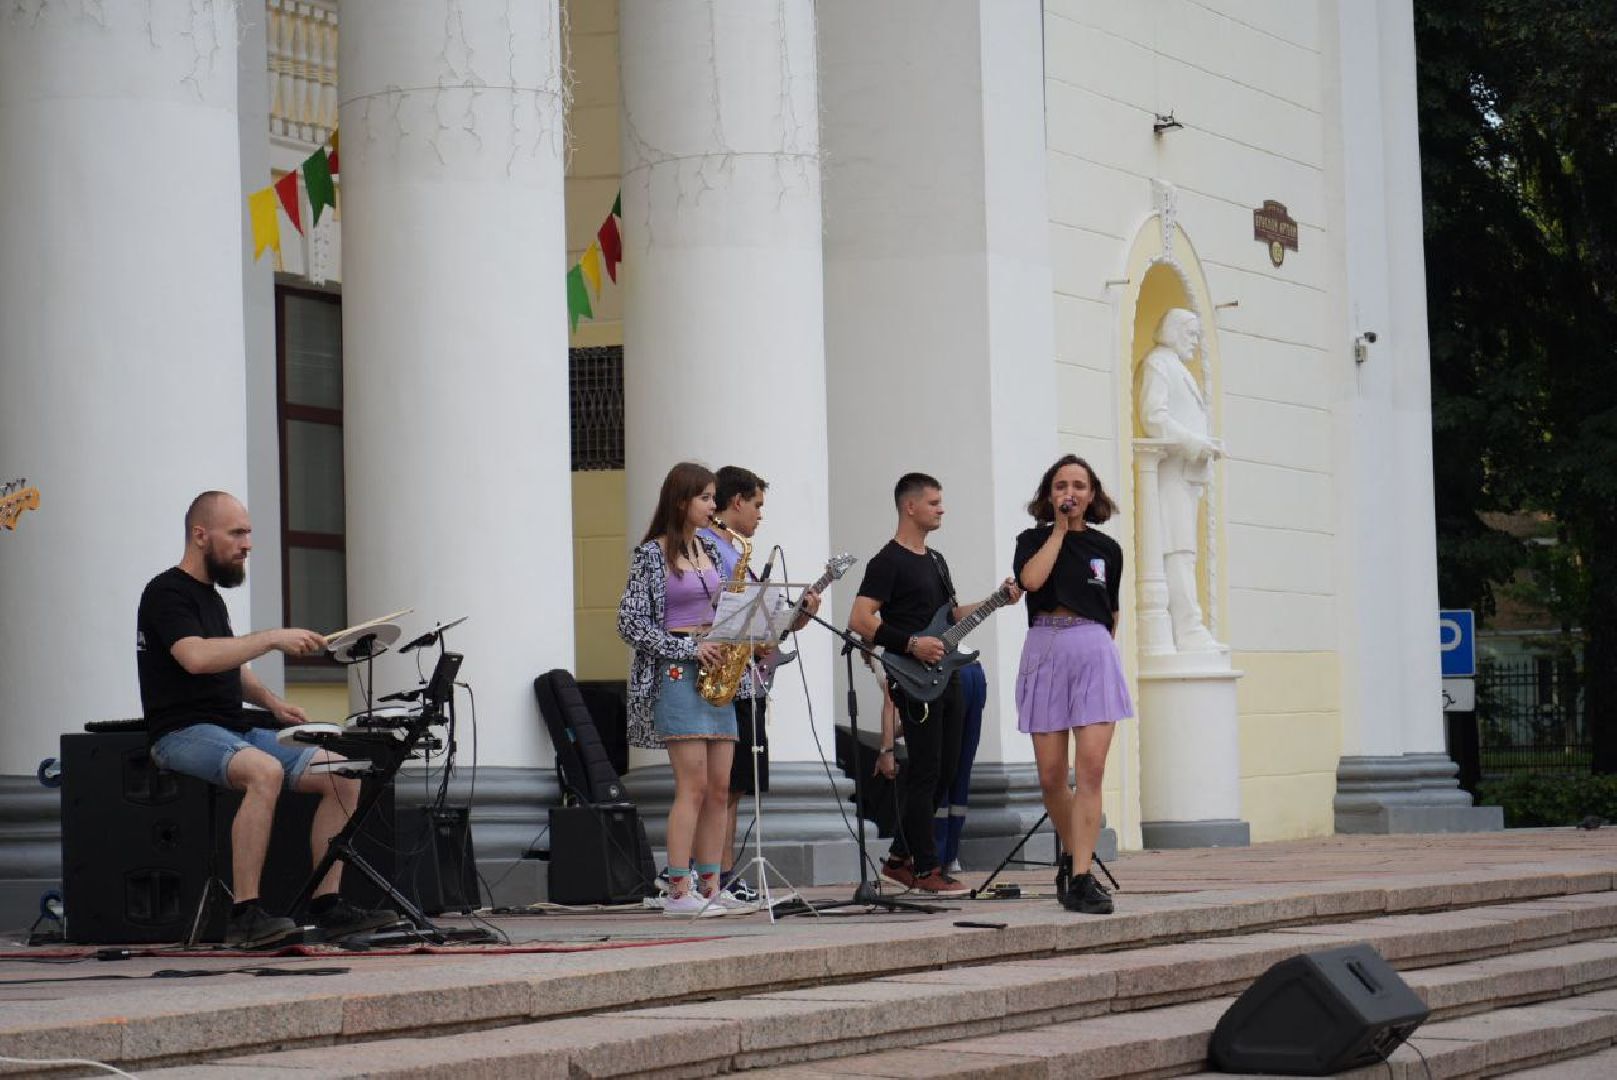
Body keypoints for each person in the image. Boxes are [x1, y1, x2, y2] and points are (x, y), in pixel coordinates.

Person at [137, 491, 399, 947]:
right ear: (200, 536)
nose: (248, 544)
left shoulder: (211, 599)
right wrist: (272, 638)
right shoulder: (165, 593)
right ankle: (245, 913)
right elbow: (197, 657)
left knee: (342, 773)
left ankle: (328, 906)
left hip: (231, 728)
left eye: (249, 533)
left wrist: (273, 703)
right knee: (264, 771)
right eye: (237, 533)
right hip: (180, 733)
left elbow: (231, 663)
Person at [848, 472, 1018, 897]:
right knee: (925, 772)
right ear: (910, 507)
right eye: (934, 502)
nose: (942, 509)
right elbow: (860, 619)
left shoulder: (936, 560)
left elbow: (951, 615)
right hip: (913, 679)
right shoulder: (887, 561)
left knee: (946, 770)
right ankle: (926, 868)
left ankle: (899, 859)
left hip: (946, 674)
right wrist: (911, 644)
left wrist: (997, 599)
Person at [619, 462, 752, 917]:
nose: (713, 506)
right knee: (692, 786)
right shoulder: (650, 555)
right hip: (677, 674)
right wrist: (687, 646)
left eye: (714, 497)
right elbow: (630, 623)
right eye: (706, 498)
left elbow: (726, 605)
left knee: (719, 788)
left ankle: (710, 886)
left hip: (718, 676)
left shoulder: (711, 550)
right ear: (681, 502)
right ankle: (678, 890)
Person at [1012, 455, 1133, 915]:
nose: (1070, 493)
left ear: (1092, 494)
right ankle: (1072, 852)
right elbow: (1031, 580)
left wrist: (1098, 650)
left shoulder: (1107, 549)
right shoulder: (1032, 540)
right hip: (1046, 645)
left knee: (1091, 771)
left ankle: (1081, 876)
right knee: (1050, 776)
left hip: (1092, 648)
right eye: (1061, 485)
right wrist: (1059, 532)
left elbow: (1111, 610)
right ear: (1049, 495)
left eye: (1079, 486)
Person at [696, 466, 820, 904]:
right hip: (720, 678)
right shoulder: (708, 546)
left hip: (747, 682)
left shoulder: (738, 554)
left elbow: (767, 632)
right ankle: (708, 874)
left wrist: (799, 616)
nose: (760, 515)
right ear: (736, 502)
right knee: (719, 787)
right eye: (757, 505)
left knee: (735, 787)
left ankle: (724, 872)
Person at [1137, 307, 1223, 653]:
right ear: (1173, 331)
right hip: (1170, 472)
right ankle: (1188, 628)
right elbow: (1153, 417)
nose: (1195, 341)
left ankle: (1191, 625)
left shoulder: (1176, 366)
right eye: (1191, 334)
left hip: (1187, 474)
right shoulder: (1159, 363)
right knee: (1177, 551)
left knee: (1185, 552)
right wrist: (1194, 443)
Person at [933, 660, 986, 873]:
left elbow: (891, 709)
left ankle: (937, 855)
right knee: (962, 770)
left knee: (939, 769)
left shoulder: (888, 661)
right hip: (972, 669)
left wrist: (886, 748)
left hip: (945, 672)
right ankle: (951, 855)